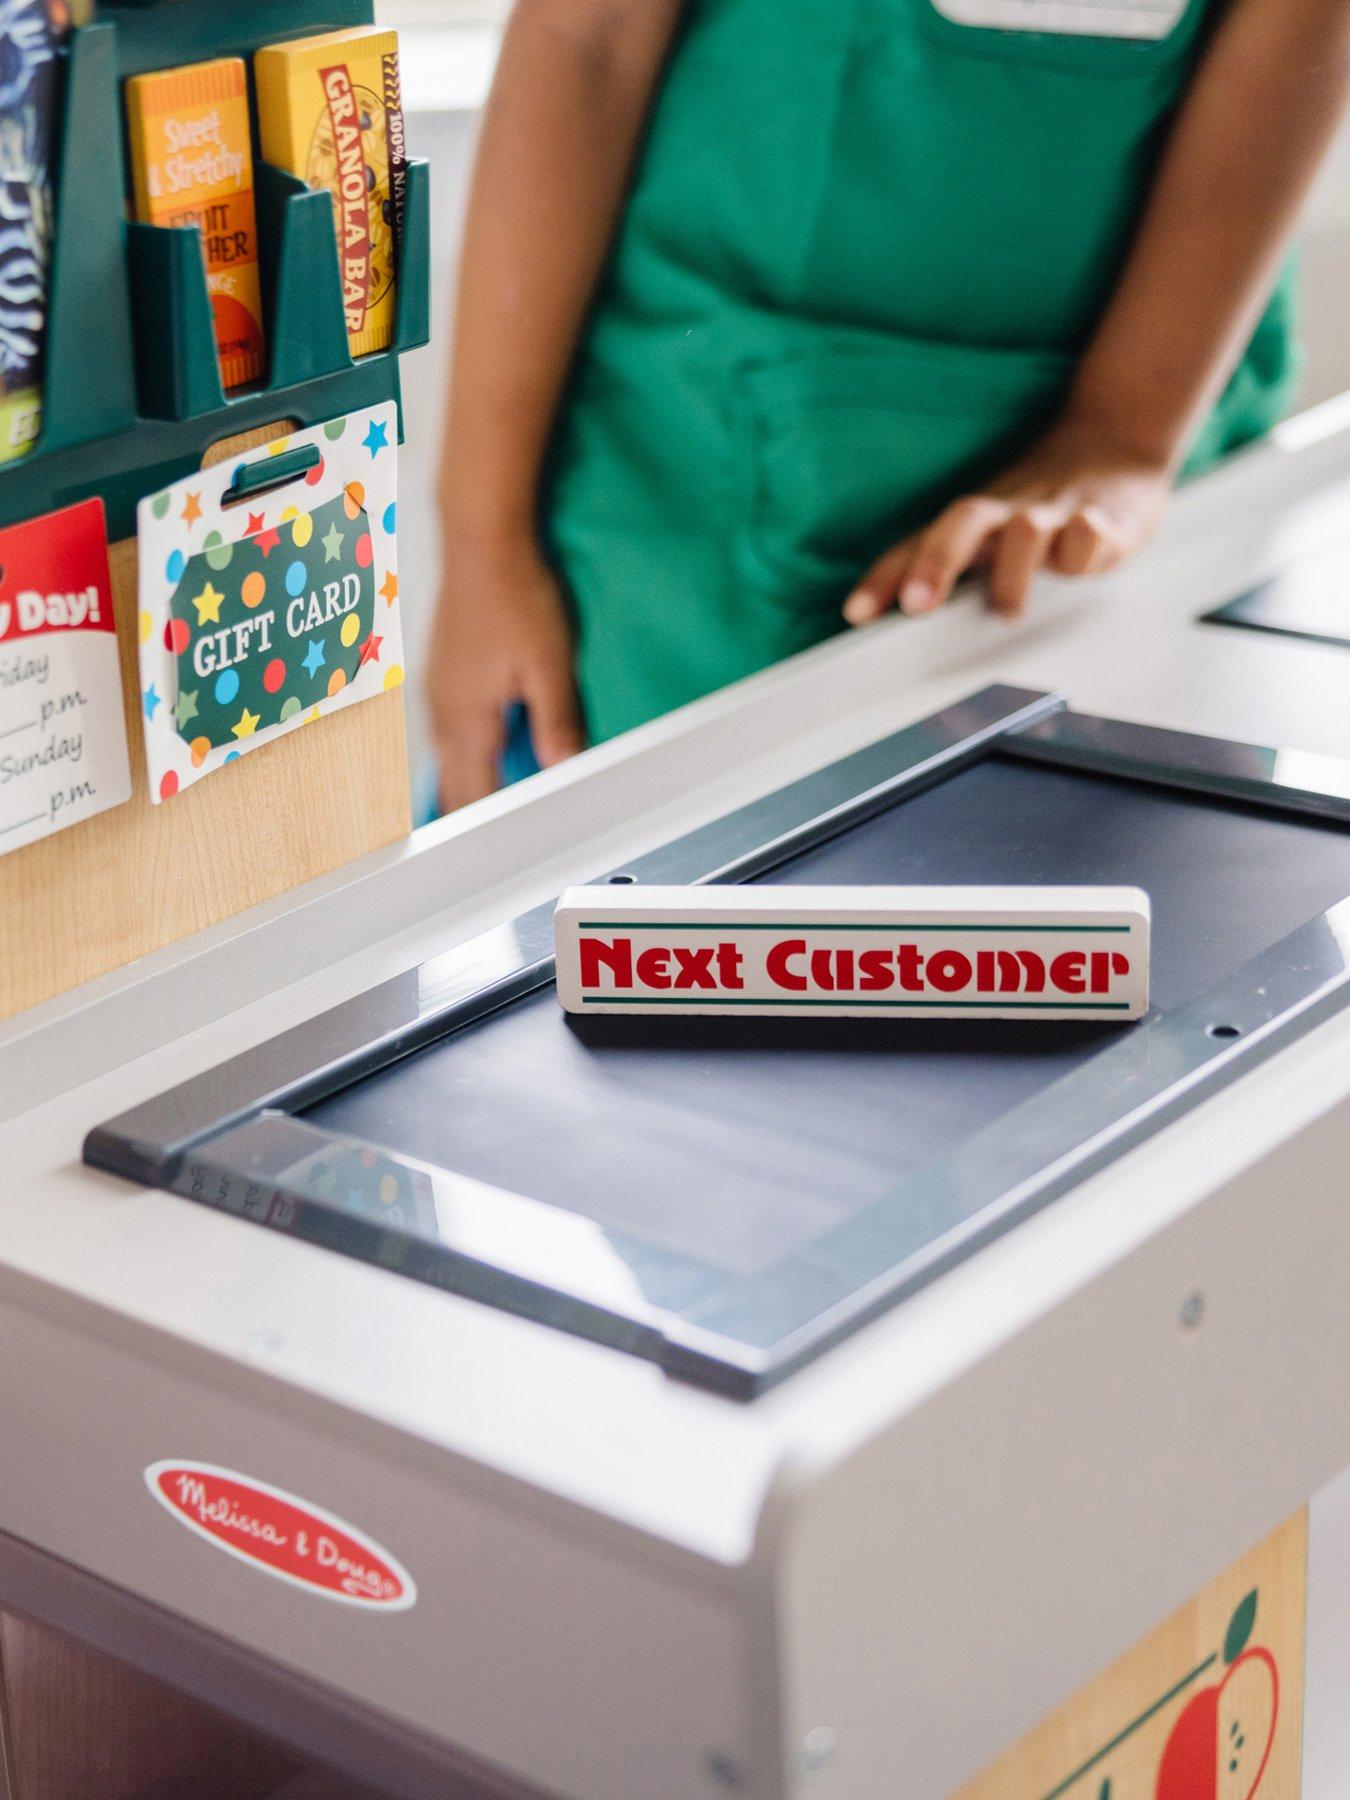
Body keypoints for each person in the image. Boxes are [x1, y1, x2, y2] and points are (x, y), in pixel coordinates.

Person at [428, 0, 1350, 811]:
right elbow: (584, 34)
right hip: (683, 520)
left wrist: (1125, 435)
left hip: (1145, 471)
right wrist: (484, 543)